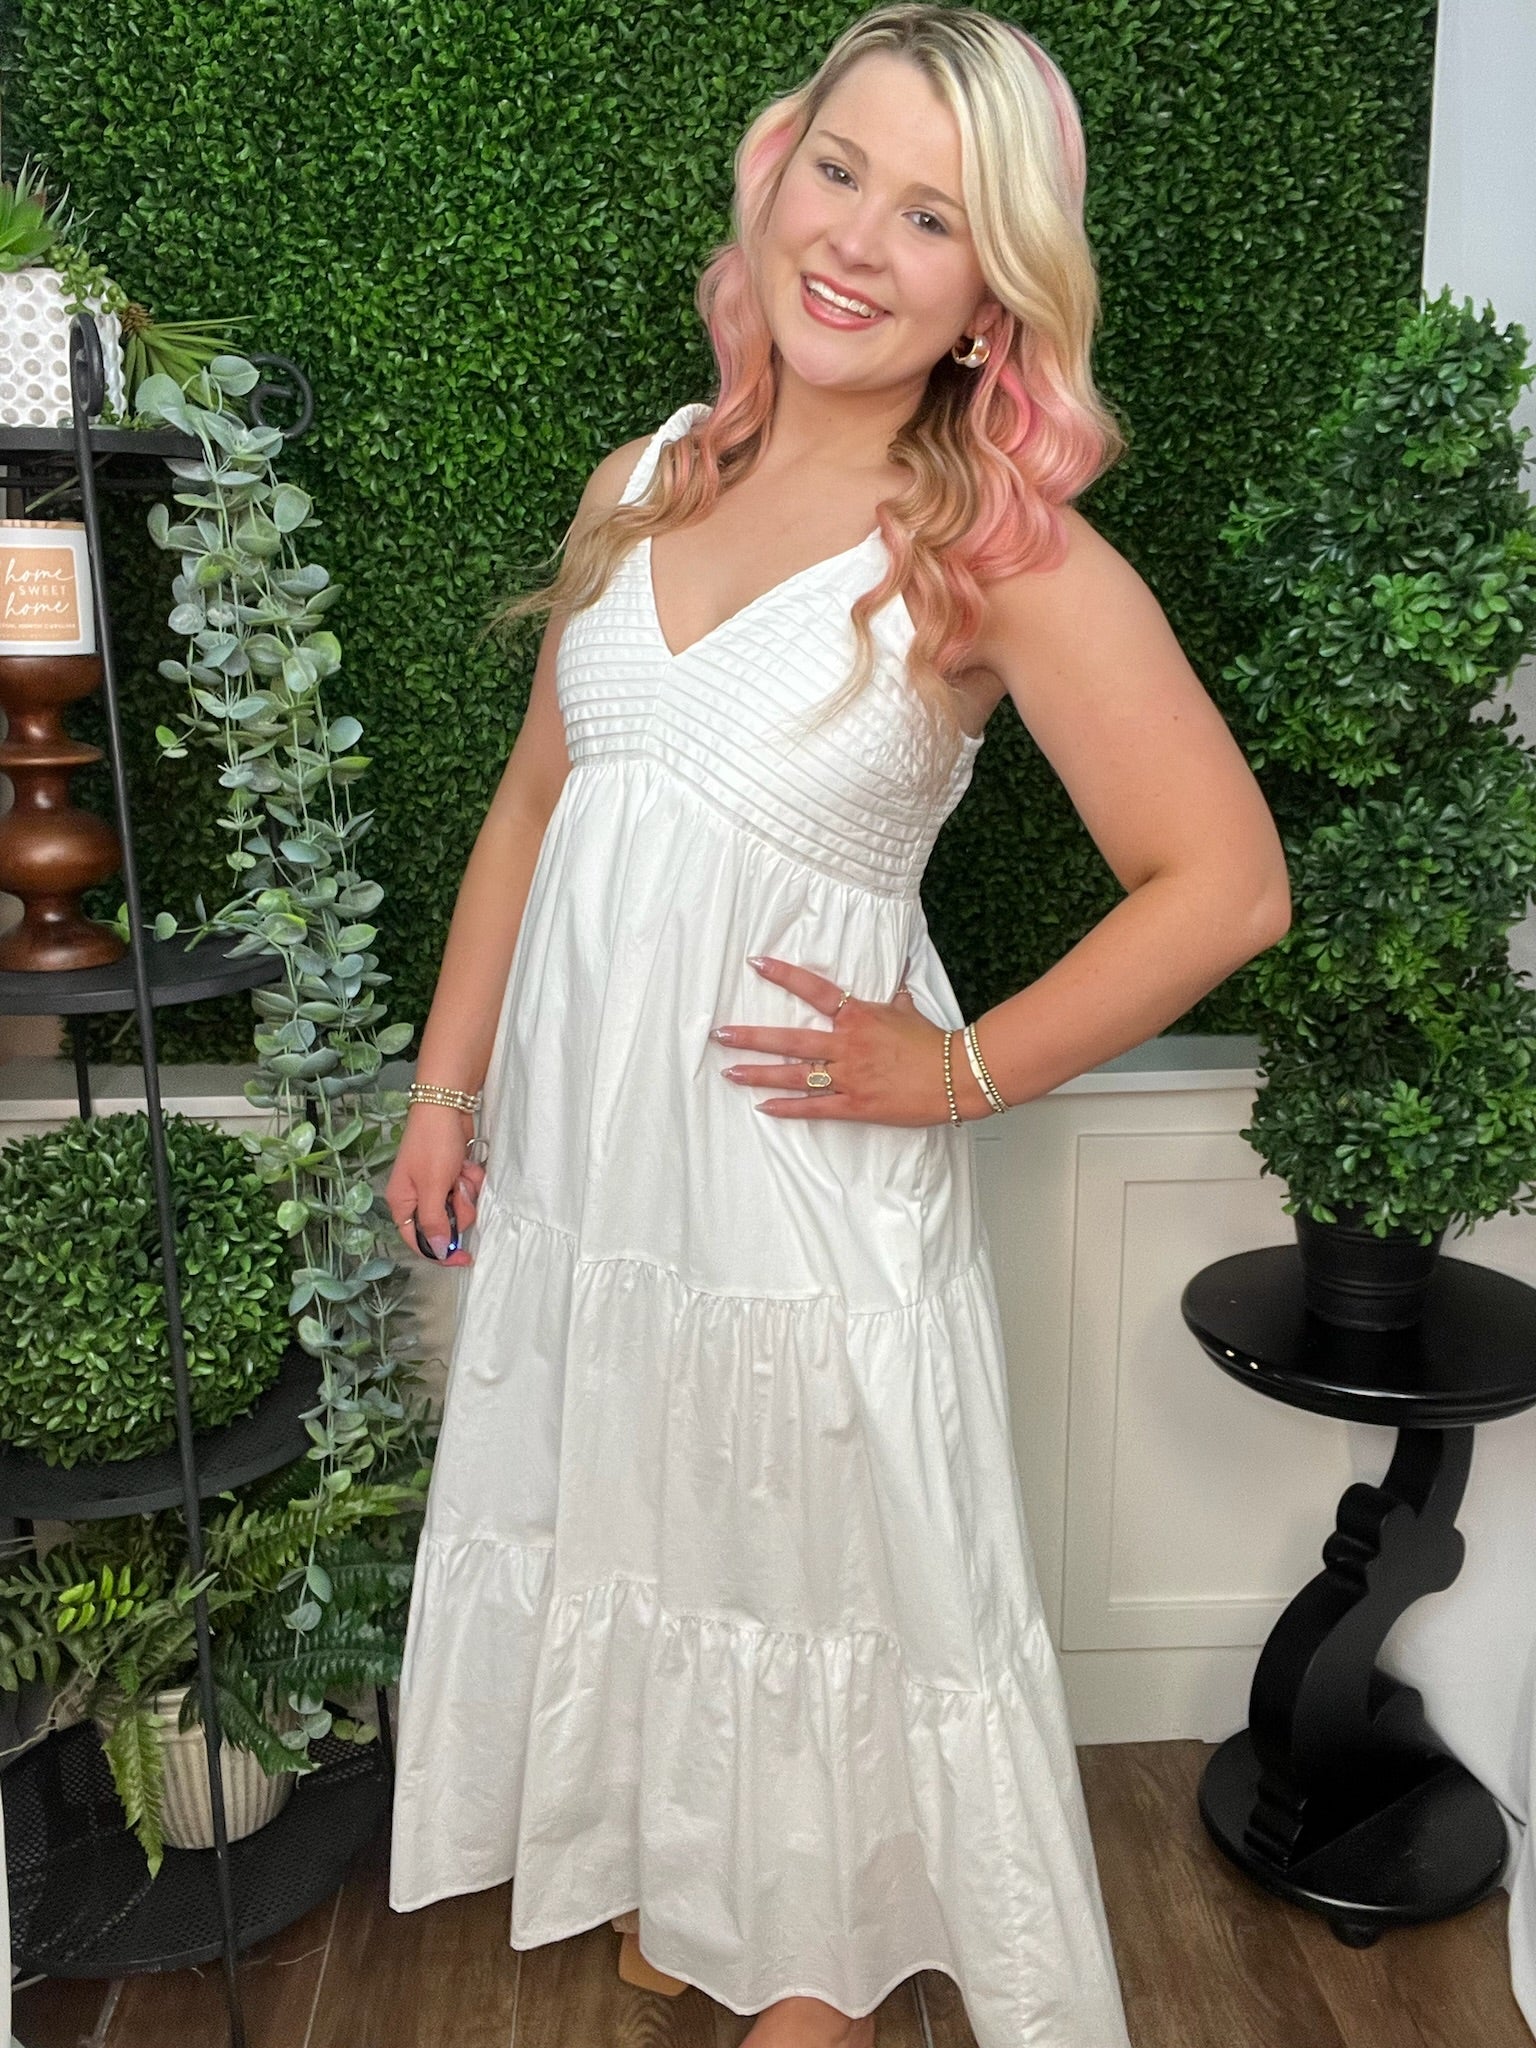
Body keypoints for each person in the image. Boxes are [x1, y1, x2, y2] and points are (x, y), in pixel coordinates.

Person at [384, 6, 1291, 2045]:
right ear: (775, 179)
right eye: (841, 171)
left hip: (798, 1202)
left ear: (993, 298)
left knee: (805, 1586)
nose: (862, 240)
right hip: (602, 1183)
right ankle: (686, 1881)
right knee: (641, 1523)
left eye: (936, 216)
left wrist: (958, 1071)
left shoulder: (995, 549)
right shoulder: (641, 480)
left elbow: (1226, 884)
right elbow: (533, 803)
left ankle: (805, 1973)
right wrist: (448, 1086)